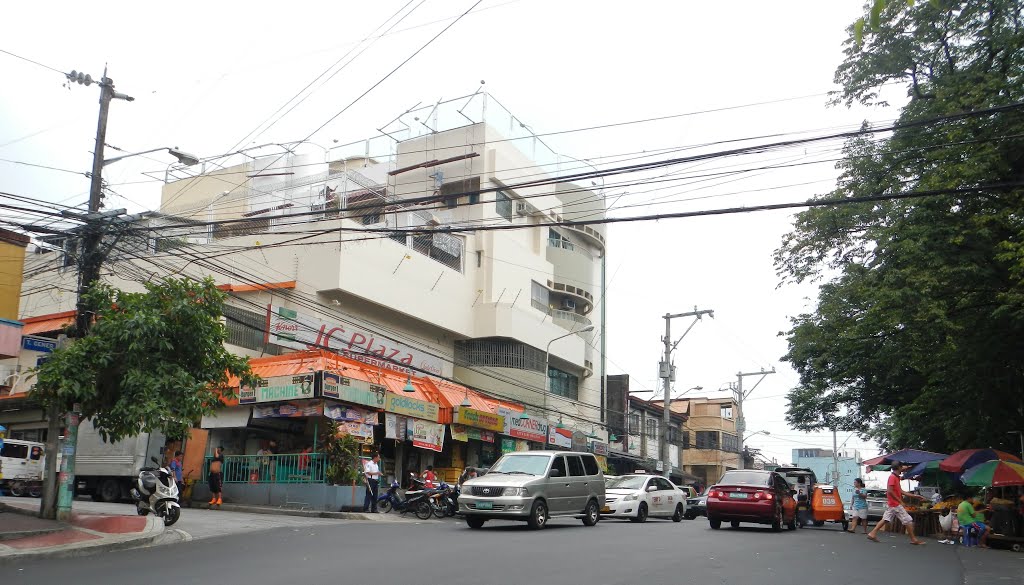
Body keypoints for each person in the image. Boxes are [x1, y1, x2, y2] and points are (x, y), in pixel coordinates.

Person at [867, 461, 927, 545]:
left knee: (885, 519)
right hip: (895, 504)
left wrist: (916, 496)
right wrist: (900, 501)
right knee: (908, 520)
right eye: (902, 467)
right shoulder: (892, 477)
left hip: (893, 503)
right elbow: (890, 491)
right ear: (899, 467)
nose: (903, 468)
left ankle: (872, 533)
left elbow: (900, 491)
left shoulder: (896, 477)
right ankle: (913, 539)